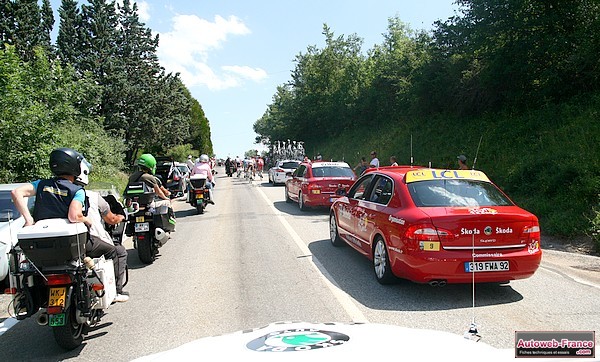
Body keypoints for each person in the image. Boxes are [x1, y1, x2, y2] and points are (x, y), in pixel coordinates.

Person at [11, 148, 127, 301]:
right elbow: (74, 216)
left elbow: (16, 192)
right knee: (114, 252)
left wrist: (29, 219)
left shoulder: (41, 185)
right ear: (74, 167)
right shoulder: (77, 190)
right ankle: (116, 292)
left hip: (42, 246)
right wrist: (86, 220)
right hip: (72, 244)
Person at [77, 162, 129, 302]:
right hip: (91, 240)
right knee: (119, 252)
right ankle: (116, 291)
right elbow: (111, 219)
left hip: (64, 243)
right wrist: (121, 217)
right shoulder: (93, 197)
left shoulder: (58, 194)